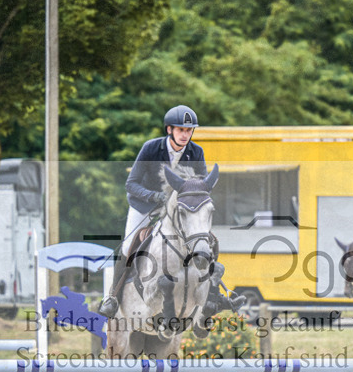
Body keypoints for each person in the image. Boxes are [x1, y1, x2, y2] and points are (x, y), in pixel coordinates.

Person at [97, 105, 244, 320]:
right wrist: (154, 197)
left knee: (207, 240)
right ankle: (112, 297)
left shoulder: (196, 152)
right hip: (146, 206)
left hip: (180, 209)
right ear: (169, 130)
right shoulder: (150, 148)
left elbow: (201, 185)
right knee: (129, 247)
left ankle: (216, 294)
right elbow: (131, 184)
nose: (185, 135)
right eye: (180, 130)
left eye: (189, 130)